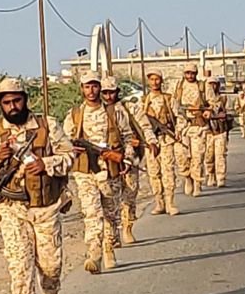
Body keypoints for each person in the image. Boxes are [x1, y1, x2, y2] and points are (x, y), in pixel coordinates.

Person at [0, 78, 73, 294]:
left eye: (16, 100)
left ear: (25, 99)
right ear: (0, 104)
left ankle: (50, 289)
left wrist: (46, 164)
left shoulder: (47, 125)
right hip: (11, 207)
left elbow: (70, 155)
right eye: (7, 102)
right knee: (19, 261)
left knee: (51, 263)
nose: (12, 106)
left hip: (45, 205)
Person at [63, 75, 136, 273]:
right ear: (82, 88)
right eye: (87, 86)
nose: (91, 91)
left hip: (109, 170)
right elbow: (64, 142)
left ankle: (109, 247)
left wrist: (127, 159)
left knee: (110, 213)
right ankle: (94, 252)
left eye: (95, 86)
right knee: (91, 211)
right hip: (85, 171)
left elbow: (128, 138)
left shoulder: (114, 112)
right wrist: (72, 149)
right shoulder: (75, 114)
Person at [101, 80, 158, 244]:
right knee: (110, 199)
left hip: (129, 156)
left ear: (117, 92)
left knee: (130, 194)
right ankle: (112, 235)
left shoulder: (129, 108)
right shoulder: (97, 111)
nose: (108, 96)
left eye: (111, 92)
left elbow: (145, 127)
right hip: (106, 161)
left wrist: (151, 142)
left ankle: (127, 226)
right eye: (105, 92)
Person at [140, 72, 180, 215]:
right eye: (152, 79)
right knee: (153, 173)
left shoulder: (169, 99)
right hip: (150, 142)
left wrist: (178, 131)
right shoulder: (143, 101)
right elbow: (138, 121)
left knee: (168, 171)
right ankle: (159, 202)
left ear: (161, 81)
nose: (154, 82)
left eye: (157, 79)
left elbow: (179, 117)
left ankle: (170, 203)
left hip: (166, 140)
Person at [174, 66, 208, 197]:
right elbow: (172, 105)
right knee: (182, 156)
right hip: (181, 127)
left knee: (197, 156)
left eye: (192, 73)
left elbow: (214, 103)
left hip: (197, 127)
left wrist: (207, 111)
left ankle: (197, 182)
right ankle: (187, 178)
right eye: (187, 73)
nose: (190, 76)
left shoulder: (203, 87)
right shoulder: (178, 86)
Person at [203, 74, 231, 188]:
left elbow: (230, 113)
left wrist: (222, 115)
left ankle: (221, 177)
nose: (212, 87)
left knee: (220, 155)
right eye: (210, 84)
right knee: (208, 156)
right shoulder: (203, 101)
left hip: (220, 131)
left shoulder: (223, 99)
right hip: (208, 132)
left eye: (214, 84)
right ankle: (210, 174)